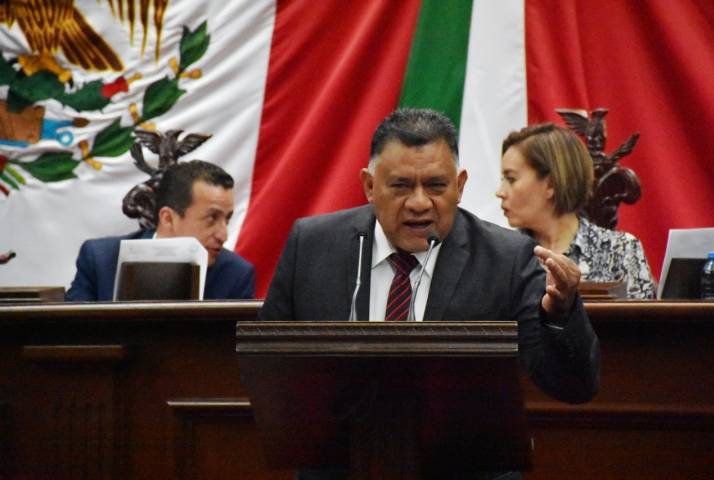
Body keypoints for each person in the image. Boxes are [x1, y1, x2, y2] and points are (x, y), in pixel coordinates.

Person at [260, 109, 599, 479]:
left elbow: (574, 386)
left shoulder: (507, 259)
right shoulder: (312, 246)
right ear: (369, 185)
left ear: (460, 185)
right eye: (401, 186)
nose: (419, 203)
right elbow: (267, 371)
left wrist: (561, 313)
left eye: (436, 186)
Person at [496, 123, 656, 299]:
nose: (499, 192)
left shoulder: (621, 251)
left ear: (550, 184)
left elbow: (644, 316)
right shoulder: (501, 255)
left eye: (511, 179)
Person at [66, 159, 255, 301]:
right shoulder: (100, 260)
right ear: (168, 218)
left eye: (227, 219)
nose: (223, 235)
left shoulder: (236, 275)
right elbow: (73, 335)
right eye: (212, 218)